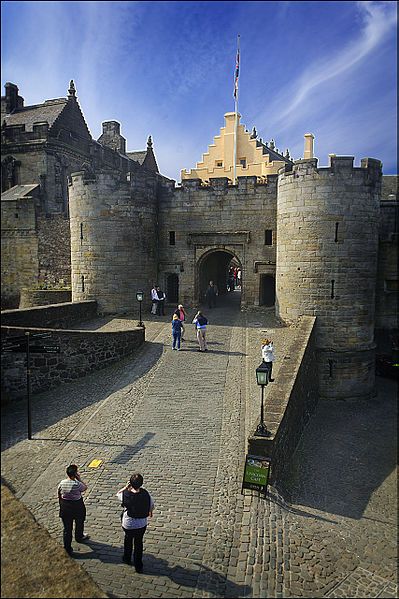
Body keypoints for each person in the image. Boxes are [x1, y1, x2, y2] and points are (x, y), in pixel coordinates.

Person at [117, 473, 154, 573]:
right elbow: (151, 506)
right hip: (141, 524)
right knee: (139, 543)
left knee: (128, 540)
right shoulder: (146, 494)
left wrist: (126, 487)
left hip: (128, 523)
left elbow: (118, 494)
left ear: (131, 483)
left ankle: (127, 558)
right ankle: (138, 565)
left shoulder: (126, 494)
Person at [58, 464, 89, 556]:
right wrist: (79, 479)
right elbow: (84, 488)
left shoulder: (62, 482)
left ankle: (67, 548)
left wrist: (61, 502)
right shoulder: (77, 484)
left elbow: (59, 492)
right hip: (77, 506)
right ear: (75, 474)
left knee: (67, 529)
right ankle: (79, 536)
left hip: (65, 507)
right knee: (79, 522)